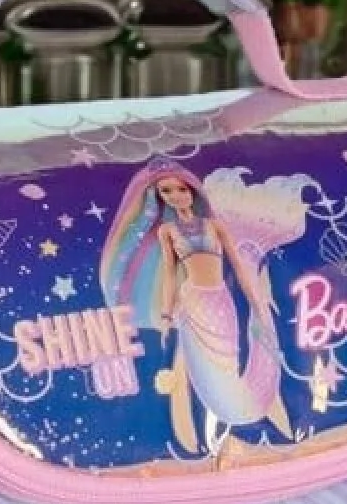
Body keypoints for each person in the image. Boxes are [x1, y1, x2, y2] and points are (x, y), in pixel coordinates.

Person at [100, 164, 298, 457]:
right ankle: (202, 426)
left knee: (228, 354)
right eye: (166, 192)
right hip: (192, 300)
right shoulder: (167, 231)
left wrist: (255, 299)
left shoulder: (214, 225)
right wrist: (166, 314)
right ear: (158, 197)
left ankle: (246, 405)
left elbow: (238, 265)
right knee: (203, 362)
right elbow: (170, 274)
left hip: (221, 298)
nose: (176, 196)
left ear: (192, 190)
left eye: (181, 189)